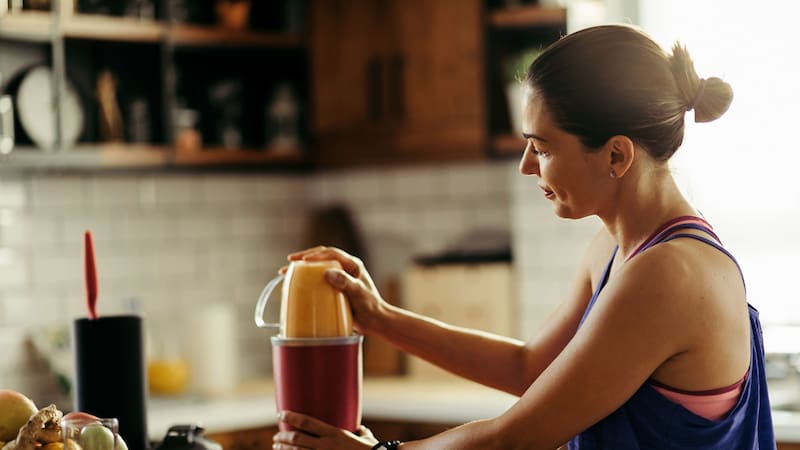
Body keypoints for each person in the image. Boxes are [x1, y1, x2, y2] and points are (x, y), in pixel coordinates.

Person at [271, 24, 775, 450]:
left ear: (617, 155)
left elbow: (518, 437)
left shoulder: (669, 274)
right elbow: (530, 367)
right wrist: (379, 317)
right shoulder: (616, 248)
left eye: (542, 147)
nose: (527, 166)